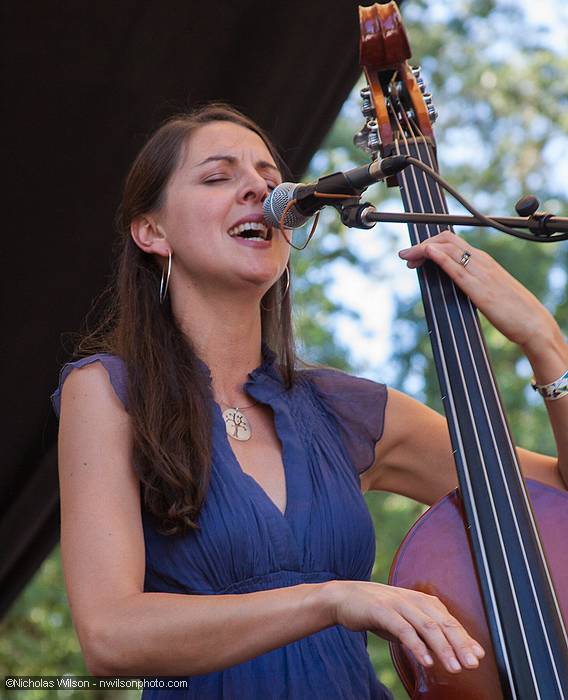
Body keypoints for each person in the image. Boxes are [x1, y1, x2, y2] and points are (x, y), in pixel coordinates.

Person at [50, 102, 568, 699]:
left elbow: (554, 498)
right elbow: (111, 637)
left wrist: (544, 342)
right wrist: (333, 599)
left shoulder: (347, 410)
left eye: (270, 178)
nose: (259, 189)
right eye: (218, 177)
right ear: (153, 232)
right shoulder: (110, 390)